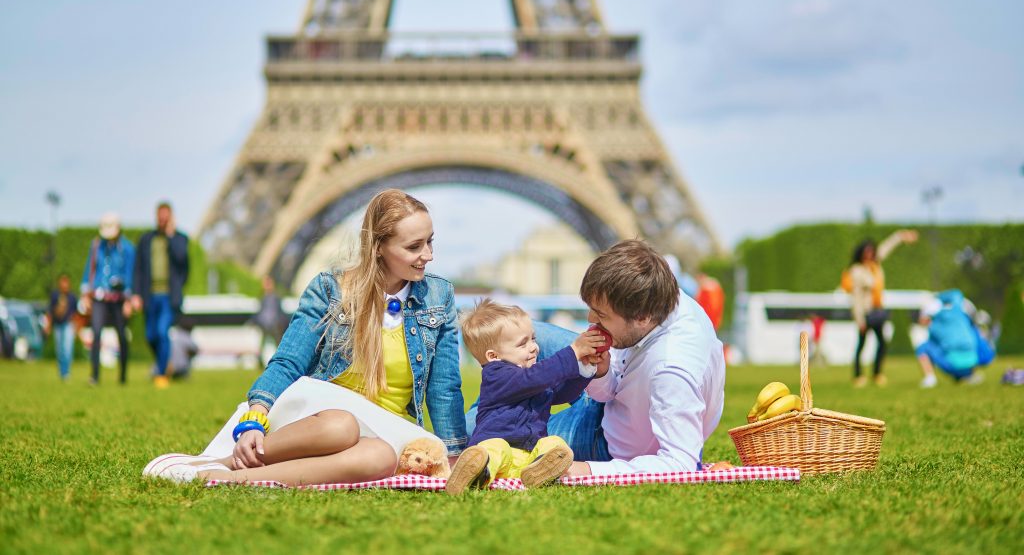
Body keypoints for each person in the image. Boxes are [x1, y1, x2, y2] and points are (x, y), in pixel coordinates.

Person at [169, 189, 466, 486]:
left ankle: (234, 477)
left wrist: (453, 458)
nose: (428, 255)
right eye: (414, 247)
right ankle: (226, 460)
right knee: (342, 425)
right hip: (321, 424)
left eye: (429, 242)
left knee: (381, 458)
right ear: (378, 247)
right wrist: (254, 418)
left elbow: (444, 387)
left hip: (388, 431)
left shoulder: (438, 297)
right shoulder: (330, 290)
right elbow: (288, 362)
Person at [469, 239, 726, 475]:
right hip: (611, 406)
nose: (591, 320)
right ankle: (491, 409)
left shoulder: (672, 370)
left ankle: (475, 436)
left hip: (603, 441)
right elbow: (610, 389)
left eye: (601, 315)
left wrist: (588, 469)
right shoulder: (663, 296)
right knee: (511, 332)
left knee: (489, 433)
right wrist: (600, 372)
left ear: (642, 317)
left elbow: (681, 464)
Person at [446, 300, 605, 494]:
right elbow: (536, 377)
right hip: (502, 452)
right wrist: (572, 353)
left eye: (533, 339)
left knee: (554, 443)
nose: (534, 347)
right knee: (494, 448)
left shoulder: (529, 377)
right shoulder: (497, 375)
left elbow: (561, 393)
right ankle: (478, 472)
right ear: (493, 356)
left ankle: (540, 470)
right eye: (523, 343)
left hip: (528, 454)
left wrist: (585, 369)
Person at [846, 229, 918, 387]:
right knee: (861, 345)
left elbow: (886, 247)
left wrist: (901, 236)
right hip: (865, 313)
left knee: (882, 344)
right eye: (867, 252)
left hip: (877, 311)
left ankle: (877, 373)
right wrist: (859, 319)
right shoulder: (856, 270)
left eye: (872, 251)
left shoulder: (875, 266)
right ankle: (858, 376)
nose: (870, 254)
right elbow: (856, 298)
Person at [132, 201, 190, 389]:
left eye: (166, 217)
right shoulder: (146, 239)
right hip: (150, 295)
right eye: (161, 216)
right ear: (156, 217)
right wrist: (136, 294)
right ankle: (165, 363)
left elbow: (182, 260)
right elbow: (139, 269)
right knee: (150, 335)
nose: (163, 220)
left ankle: (161, 373)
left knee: (161, 331)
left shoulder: (180, 238)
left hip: (168, 296)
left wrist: (171, 236)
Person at [80, 212, 135, 385]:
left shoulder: (127, 249)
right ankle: (94, 375)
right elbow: (90, 269)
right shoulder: (96, 246)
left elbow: (130, 274)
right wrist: (85, 294)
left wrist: (129, 300)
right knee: (96, 334)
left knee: (122, 335)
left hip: (119, 299)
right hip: (99, 297)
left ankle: (123, 376)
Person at [915, 289, 995, 388]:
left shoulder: (934, 326)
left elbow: (936, 345)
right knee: (973, 337)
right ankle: (969, 375)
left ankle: (930, 378)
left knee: (923, 348)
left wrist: (935, 298)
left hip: (952, 365)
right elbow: (957, 293)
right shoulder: (961, 316)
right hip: (974, 362)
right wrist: (940, 296)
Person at [45, 273, 78, 380]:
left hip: (68, 324)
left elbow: (76, 314)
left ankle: (66, 372)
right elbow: (50, 312)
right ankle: (62, 372)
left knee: (67, 349)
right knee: (59, 350)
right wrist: (48, 326)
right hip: (57, 325)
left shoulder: (72, 297)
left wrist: (77, 328)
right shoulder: (55, 295)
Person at [252, 275, 288, 366]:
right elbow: (259, 312)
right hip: (264, 325)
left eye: (267, 283)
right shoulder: (262, 297)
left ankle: (280, 360)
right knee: (262, 345)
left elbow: (280, 312)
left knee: (278, 344)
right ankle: (260, 361)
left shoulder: (275, 297)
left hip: (275, 325)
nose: (265, 285)